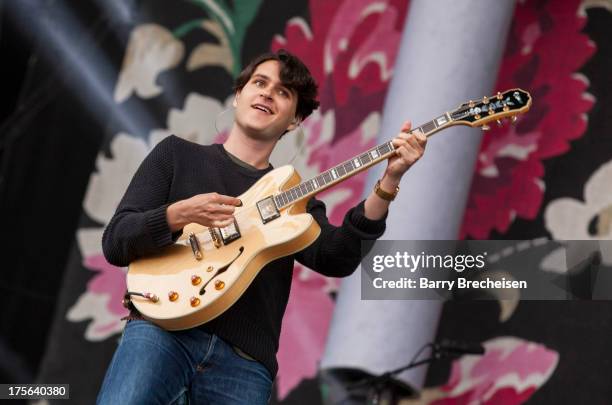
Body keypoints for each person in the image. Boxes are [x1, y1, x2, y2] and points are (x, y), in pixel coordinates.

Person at [97, 49, 427, 404]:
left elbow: (338, 258)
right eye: (260, 83)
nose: (268, 93)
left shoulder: (293, 198)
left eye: (284, 92)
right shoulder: (177, 155)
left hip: (242, 363)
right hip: (159, 332)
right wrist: (178, 214)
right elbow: (117, 242)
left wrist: (389, 180)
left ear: (294, 121)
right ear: (239, 95)